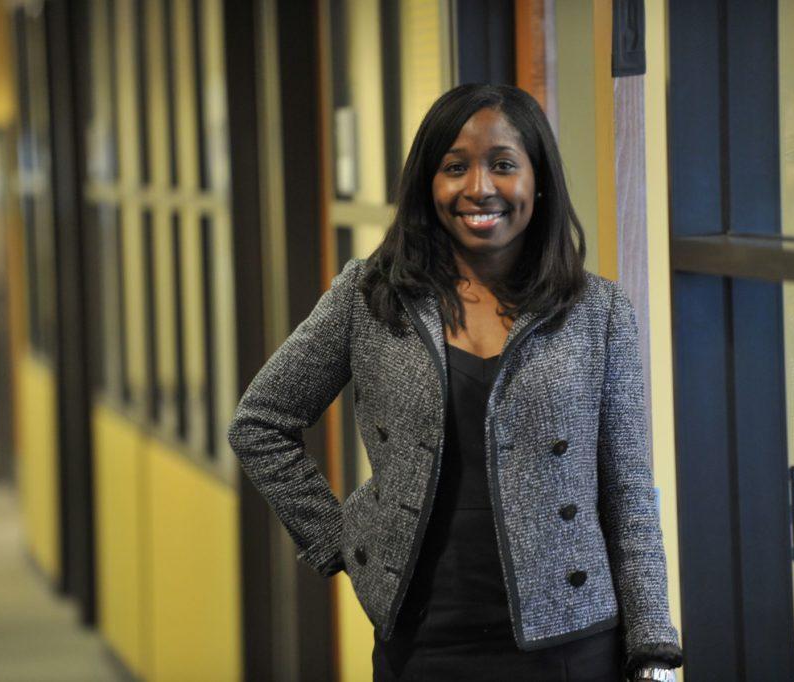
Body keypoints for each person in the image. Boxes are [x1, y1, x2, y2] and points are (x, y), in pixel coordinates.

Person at [228, 83, 683, 682]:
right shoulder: (369, 296)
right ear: (428, 184)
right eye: (454, 167)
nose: (479, 189)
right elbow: (260, 424)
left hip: (571, 642)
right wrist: (345, 541)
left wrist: (652, 647)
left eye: (503, 165)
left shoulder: (597, 311)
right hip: (423, 641)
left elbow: (627, 488)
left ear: (537, 181)